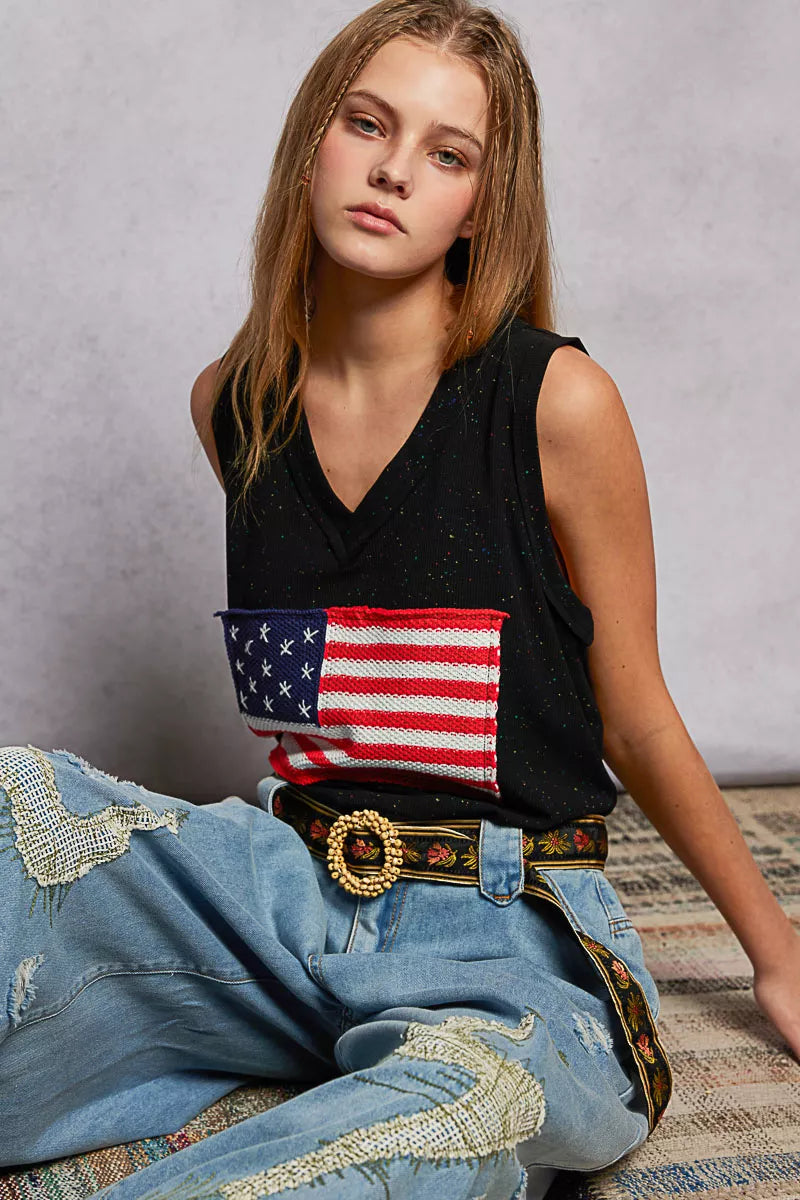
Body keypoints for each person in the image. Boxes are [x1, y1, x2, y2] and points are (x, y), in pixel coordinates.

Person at [2, 2, 798, 1197]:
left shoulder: (555, 403)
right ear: (310, 146)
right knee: (17, 804)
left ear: (479, 206)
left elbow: (633, 716)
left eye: (446, 151)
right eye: (366, 124)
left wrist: (776, 956)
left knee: (447, 1112)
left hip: (508, 931)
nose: (392, 170)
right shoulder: (233, 403)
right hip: (279, 896)